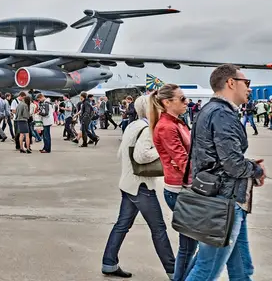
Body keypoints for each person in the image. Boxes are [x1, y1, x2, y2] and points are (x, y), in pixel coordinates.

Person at [184, 64, 266, 280]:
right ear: (231, 83)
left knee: (242, 269)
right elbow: (233, 165)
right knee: (206, 270)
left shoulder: (208, 110)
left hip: (223, 199)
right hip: (224, 203)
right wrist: (256, 170)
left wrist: (247, 166)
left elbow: (217, 157)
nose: (249, 88)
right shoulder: (222, 114)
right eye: (246, 83)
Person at [101, 95, 175, 279]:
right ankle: (174, 271)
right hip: (141, 186)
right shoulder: (148, 128)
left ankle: (109, 263)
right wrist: (162, 148)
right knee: (158, 229)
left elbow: (121, 154)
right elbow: (141, 156)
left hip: (128, 184)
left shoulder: (133, 125)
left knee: (122, 225)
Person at [150, 84, 196, 281]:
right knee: (191, 246)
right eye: (183, 99)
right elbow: (183, 161)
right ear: (167, 102)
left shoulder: (177, 123)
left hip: (184, 189)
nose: (187, 102)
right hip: (180, 191)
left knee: (194, 245)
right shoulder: (167, 127)